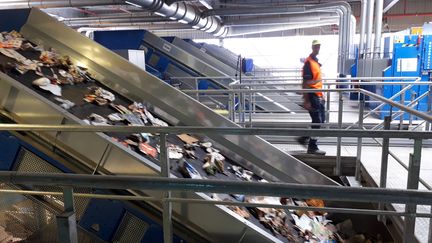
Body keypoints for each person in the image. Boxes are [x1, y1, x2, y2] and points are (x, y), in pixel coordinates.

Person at [298, 40, 326, 155]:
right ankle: (312, 146)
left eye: (319, 46)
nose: (317, 48)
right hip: (311, 95)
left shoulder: (316, 62)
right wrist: (306, 100)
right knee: (317, 121)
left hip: (318, 94)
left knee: (321, 120)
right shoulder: (308, 63)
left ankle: (304, 138)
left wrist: (322, 94)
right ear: (312, 47)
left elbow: (318, 81)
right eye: (316, 47)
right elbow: (305, 83)